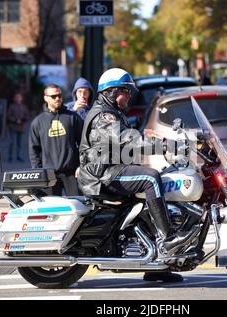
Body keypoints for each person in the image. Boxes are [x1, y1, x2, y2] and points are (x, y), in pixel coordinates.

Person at [77, 68, 198, 283]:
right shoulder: (104, 115)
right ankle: (169, 238)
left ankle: (159, 265)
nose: (130, 95)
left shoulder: (112, 111)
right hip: (103, 174)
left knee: (157, 188)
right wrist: (165, 145)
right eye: (126, 91)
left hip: (112, 169)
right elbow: (128, 140)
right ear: (112, 92)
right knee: (151, 178)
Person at [29, 84, 84, 196]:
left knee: (78, 207)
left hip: (71, 173)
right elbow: (34, 151)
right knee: (51, 210)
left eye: (59, 95)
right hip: (49, 174)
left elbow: (84, 144)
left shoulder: (73, 117)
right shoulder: (38, 122)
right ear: (46, 98)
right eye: (53, 96)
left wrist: (81, 165)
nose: (58, 98)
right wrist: (39, 172)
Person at [7, 93, 29, 162]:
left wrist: (23, 119)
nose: (18, 99)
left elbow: (27, 115)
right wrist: (15, 120)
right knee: (12, 142)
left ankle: (18, 156)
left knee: (19, 143)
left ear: (21, 99)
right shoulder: (11, 106)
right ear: (14, 99)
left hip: (20, 127)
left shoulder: (24, 107)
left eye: (19, 97)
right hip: (13, 127)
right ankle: (10, 156)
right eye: (16, 97)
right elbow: (8, 116)